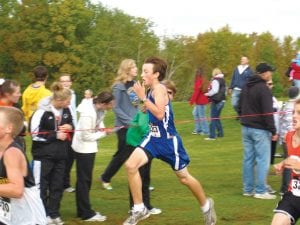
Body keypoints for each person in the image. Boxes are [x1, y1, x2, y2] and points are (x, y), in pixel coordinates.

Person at [123, 56, 216, 225]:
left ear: (156, 74)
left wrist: (143, 98)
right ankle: (139, 208)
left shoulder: (159, 89)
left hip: (168, 142)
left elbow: (159, 113)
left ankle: (206, 205)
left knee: (184, 178)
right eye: (142, 71)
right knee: (130, 165)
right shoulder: (151, 90)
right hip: (152, 138)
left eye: (146, 71)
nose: (142, 75)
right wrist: (145, 104)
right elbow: (154, 111)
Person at [30, 82, 74, 224]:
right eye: (67, 102)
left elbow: (73, 125)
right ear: (59, 100)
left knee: (57, 185)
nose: (69, 104)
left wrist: (70, 126)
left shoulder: (66, 110)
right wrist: (55, 135)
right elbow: (34, 134)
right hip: (43, 156)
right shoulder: (42, 111)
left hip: (61, 156)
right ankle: (41, 215)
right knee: (41, 187)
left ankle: (54, 214)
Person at [72, 91, 114, 222]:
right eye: (110, 104)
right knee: (84, 180)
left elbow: (99, 123)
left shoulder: (101, 110)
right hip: (83, 149)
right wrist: (104, 134)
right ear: (102, 103)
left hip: (89, 148)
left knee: (85, 180)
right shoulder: (87, 114)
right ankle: (86, 213)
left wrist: (103, 129)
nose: (112, 106)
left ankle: (82, 210)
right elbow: (86, 136)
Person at [0, 106, 47, 225]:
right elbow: (4, 181)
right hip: (10, 215)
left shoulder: (12, 153)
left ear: (8, 128)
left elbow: (17, 190)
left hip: (29, 218)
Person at [238, 62, 277, 199]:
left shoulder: (246, 86)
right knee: (262, 160)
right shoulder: (263, 88)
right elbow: (268, 112)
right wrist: (273, 130)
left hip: (245, 128)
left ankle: (248, 189)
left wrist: (242, 117)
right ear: (264, 73)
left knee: (248, 159)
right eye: (269, 72)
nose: (271, 74)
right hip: (260, 130)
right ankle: (260, 191)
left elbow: (238, 105)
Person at [100, 59, 139, 190]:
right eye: (134, 67)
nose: (136, 69)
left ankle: (140, 181)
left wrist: (139, 118)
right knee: (122, 154)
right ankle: (105, 177)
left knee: (139, 153)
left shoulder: (135, 85)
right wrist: (129, 122)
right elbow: (116, 108)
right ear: (127, 69)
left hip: (136, 126)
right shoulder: (118, 86)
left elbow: (136, 105)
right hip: (123, 127)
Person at [271, 99, 300, 225]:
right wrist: (282, 164)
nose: (294, 116)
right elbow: (293, 158)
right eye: (293, 112)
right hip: (295, 193)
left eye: (299, 113)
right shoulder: (289, 136)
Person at [278, 86, 300, 194]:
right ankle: (286, 188)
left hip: (284, 138)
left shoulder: (284, 106)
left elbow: (280, 122)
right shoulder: (293, 107)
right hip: (289, 139)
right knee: (289, 163)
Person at [58, 73, 77, 193]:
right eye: (62, 81)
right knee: (61, 157)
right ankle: (59, 183)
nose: (65, 83)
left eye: (67, 81)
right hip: (62, 129)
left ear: (70, 83)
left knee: (71, 156)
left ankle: (65, 183)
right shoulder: (56, 96)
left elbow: (73, 112)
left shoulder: (73, 95)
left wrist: (73, 125)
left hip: (73, 128)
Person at [0, 80, 26, 150]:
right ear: (7, 94)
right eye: (17, 92)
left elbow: (22, 129)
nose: (20, 95)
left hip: (15, 144)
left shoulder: (17, 108)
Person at [204, 68, 226, 140]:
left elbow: (214, 91)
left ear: (214, 73)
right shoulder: (222, 80)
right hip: (222, 101)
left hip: (216, 101)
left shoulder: (215, 80)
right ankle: (220, 133)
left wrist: (208, 94)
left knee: (213, 118)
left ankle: (212, 136)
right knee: (216, 118)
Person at [189, 68, 209, 135]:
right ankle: (198, 129)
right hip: (201, 102)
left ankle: (205, 131)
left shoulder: (199, 80)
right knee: (195, 114)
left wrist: (191, 101)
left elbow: (196, 92)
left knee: (202, 116)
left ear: (197, 73)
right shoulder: (205, 80)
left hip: (200, 102)